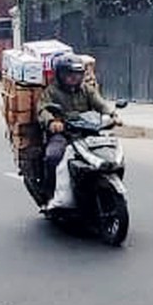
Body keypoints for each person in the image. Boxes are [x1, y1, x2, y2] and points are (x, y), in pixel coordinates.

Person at [37, 54, 117, 208]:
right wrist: (52, 122)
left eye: (77, 74)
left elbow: (100, 104)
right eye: (69, 74)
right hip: (64, 134)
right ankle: (49, 194)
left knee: (106, 153)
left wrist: (112, 115)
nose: (73, 78)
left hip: (87, 132)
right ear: (60, 75)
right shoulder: (52, 91)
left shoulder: (86, 89)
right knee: (53, 156)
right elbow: (42, 110)